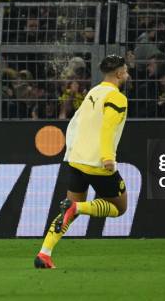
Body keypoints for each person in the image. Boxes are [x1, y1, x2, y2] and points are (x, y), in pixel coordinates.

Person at [34, 55, 129, 269]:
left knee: (68, 212)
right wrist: (107, 157)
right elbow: (108, 128)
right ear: (120, 73)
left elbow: (75, 123)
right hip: (98, 162)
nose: (128, 74)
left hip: (77, 160)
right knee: (119, 208)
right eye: (126, 70)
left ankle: (44, 253)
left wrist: (72, 153)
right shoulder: (117, 97)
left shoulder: (92, 93)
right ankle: (78, 207)